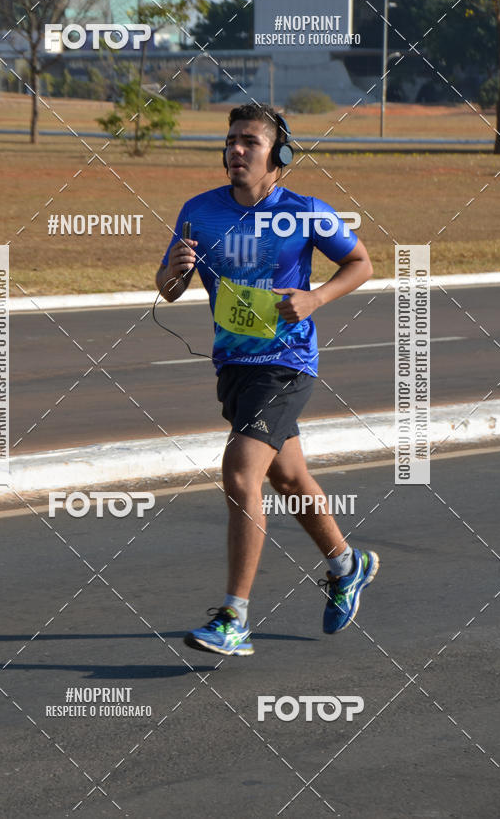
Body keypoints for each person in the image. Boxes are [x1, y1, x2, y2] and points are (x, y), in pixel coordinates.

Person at [155, 102, 379, 657]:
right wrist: (173, 274)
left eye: (249, 142)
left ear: (278, 154)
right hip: (233, 367)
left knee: (239, 474)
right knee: (288, 479)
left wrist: (316, 297)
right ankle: (348, 565)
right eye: (230, 141)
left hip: (285, 365)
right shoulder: (199, 212)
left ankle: (234, 616)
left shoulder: (304, 211)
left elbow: (362, 263)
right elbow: (166, 289)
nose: (235, 150)